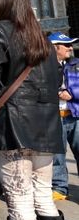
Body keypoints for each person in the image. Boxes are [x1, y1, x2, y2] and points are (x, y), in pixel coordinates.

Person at [0, 0, 65, 220]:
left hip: (13, 126)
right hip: (46, 126)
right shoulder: (42, 37)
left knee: (19, 199)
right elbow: (52, 83)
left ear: (1, 4)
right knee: (43, 195)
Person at [48, 31, 79, 201]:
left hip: (75, 115)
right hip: (54, 117)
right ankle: (60, 188)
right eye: (66, 45)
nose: (70, 47)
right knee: (57, 155)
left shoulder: (75, 64)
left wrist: (71, 93)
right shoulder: (43, 66)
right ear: (54, 48)